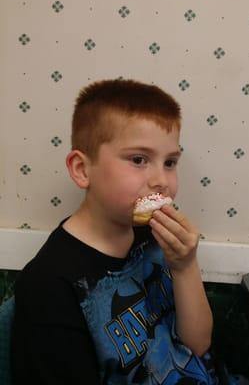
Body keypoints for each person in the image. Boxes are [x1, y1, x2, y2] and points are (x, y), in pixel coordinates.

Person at [12, 79, 218, 384]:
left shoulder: (154, 236)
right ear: (82, 170)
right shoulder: (49, 285)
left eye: (170, 162)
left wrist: (185, 266)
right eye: (139, 160)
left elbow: (198, 346)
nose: (161, 180)